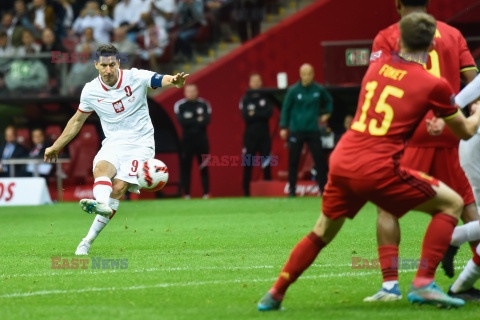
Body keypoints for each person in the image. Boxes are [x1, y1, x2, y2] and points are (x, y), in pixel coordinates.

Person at [258, 12, 480, 311]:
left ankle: (275, 293)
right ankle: (423, 282)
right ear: (430, 49)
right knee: (452, 203)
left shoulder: (377, 66)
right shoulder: (434, 84)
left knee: (322, 231)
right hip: (377, 167)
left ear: (398, 40)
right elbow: (465, 131)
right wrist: (476, 111)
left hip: (343, 158)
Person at [363, 0, 479, 302]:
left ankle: (390, 286)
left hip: (410, 133)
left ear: (397, 5)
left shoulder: (388, 34)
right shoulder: (453, 34)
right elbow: (474, 80)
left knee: (387, 206)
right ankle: (468, 275)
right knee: (467, 205)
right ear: (428, 4)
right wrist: (468, 109)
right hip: (451, 132)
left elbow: (381, 80)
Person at [44, 44, 189, 255]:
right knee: (101, 168)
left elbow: (159, 79)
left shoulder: (135, 77)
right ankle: (102, 203)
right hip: (113, 142)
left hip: (141, 143)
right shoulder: (91, 90)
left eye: (112, 64)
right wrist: (56, 146)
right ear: (96, 65)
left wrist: (174, 81)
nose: (108, 70)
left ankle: (87, 240)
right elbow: (76, 121)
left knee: (119, 188)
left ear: (118, 63)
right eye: (104, 65)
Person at [279, 63, 332, 197]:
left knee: (319, 160)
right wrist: (283, 127)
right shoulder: (293, 91)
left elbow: (329, 101)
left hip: (313, 130)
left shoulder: (318, 89)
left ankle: (323, 189)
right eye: (304, 74)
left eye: (309, 74)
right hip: (296, 130)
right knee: (293, 161)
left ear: (313, 74)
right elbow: (285, 109)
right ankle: (292, 190)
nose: (307, 76)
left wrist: (328, 113)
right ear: (300, 74)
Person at [174, 83, 211, 199]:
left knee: (204, 167)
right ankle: (187, 194)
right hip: (186, 142)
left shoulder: (204, 104)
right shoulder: (180, 105)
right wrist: (197, 119)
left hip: (202, 142)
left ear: (197, 91)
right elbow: (183, 123)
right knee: (186, 169)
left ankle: (206, 194)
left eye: (193, 91)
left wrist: (190, 119)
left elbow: (206, 121)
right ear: (185, 93)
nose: (191, 93)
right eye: (189, 91)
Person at [240, 73, 273, 196]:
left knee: (267, 163)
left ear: (261, 82)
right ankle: (246, 193)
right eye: (253, 81)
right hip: (250, 137)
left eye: (258, 80)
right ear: (250, 83)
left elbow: (268, 114)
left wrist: (254, 113)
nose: (256, 83)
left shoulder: (266, 97)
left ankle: (269, 191)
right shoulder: (245, 99)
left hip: (264, 136)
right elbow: (246, 116)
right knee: (248, 163)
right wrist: (259, 114)